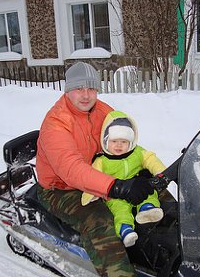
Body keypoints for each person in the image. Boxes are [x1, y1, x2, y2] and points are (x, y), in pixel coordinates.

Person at [36, 62, 154, 277]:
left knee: (151, 191)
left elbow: (122, 138)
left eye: (91, 88)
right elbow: (71, 169)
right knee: (99, 220)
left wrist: (139, 166)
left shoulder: (102, 111)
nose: (86, 95)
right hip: (60, 188)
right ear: (67, 90)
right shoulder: (56, 123)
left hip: (98, 173)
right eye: (79, 88)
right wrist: (116, 187)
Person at [82, 110, 166, 247]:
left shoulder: (137, 152)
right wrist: (90, 196)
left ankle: (148, 209)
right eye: (114, 141)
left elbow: (150, 159)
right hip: (116, 195)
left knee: (150, 193)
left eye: (124, 141)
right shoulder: (102, 161)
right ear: (105, 140)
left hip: (137, 187)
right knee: (120, 210)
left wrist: (161, 172)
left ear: (131, 142)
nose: (119, 145)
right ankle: (125, 230)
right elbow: (92, 177)